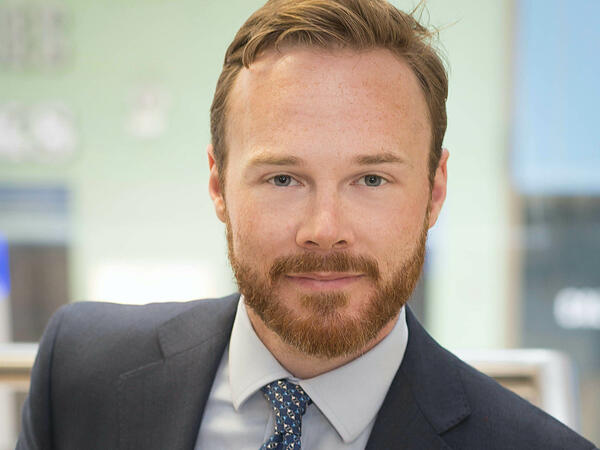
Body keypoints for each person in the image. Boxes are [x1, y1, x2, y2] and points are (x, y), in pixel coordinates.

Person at [17, 0, 598, 449]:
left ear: (434, 191)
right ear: (218, 184)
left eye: (371, 179)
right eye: (283, 179)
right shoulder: (80, 372)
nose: (324, 229)